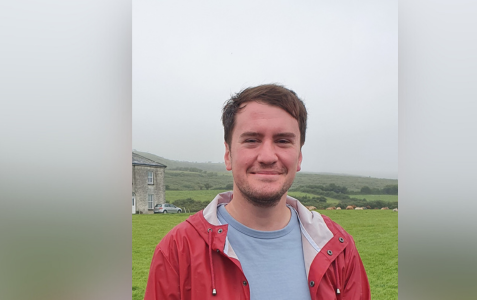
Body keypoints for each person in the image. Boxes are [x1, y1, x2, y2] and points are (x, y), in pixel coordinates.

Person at [144, 84, 370, 300]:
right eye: (252, 140)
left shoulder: (338, 248)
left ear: (299, 156)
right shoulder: (177, 250)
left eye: (283, 141)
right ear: (227, 154)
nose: (268, 156)